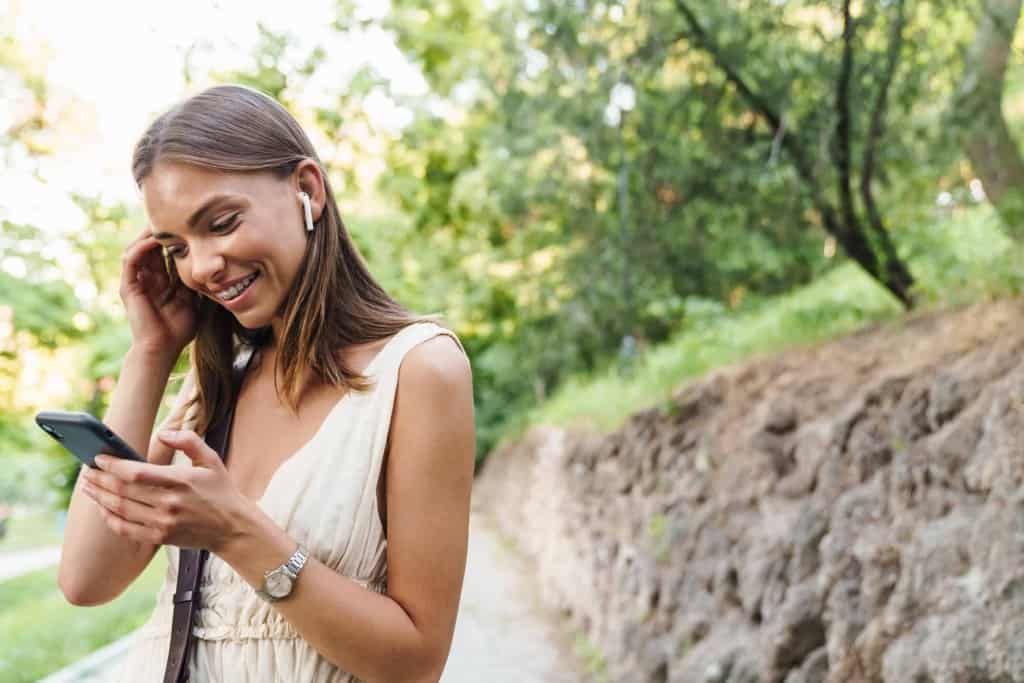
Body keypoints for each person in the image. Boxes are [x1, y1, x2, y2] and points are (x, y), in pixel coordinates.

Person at [56, 84, 476, 682]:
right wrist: (149, 353)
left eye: (221, 224)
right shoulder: (211, 390)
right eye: (176, 247)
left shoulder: (417, 371)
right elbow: (86, 579)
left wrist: (235, 532)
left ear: (307, 189)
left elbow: (416, 663)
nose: (200, 267)